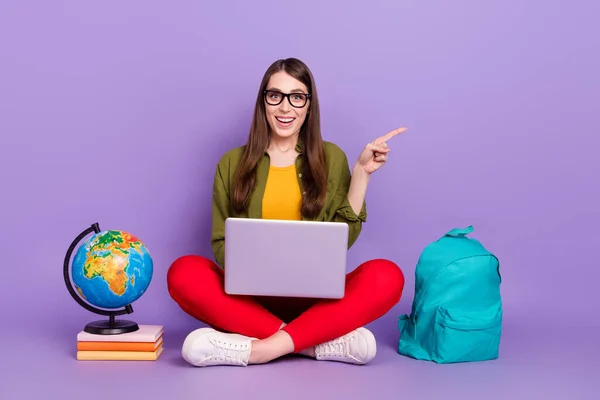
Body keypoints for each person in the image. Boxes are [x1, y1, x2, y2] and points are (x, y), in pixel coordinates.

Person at [167, 58, 406, 368]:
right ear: (263, 101)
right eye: (275, 95)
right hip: (250, 301)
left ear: (309, 106)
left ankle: (259, 349)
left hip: (318, 301)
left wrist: (361, 173)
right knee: (183, 272)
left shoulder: (331, 157)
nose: (285, 107)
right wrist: (260, 267)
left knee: (387, 276)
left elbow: (341, 240)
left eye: (297, 96)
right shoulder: (231, 163)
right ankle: (309, 343)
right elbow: (220, 244)